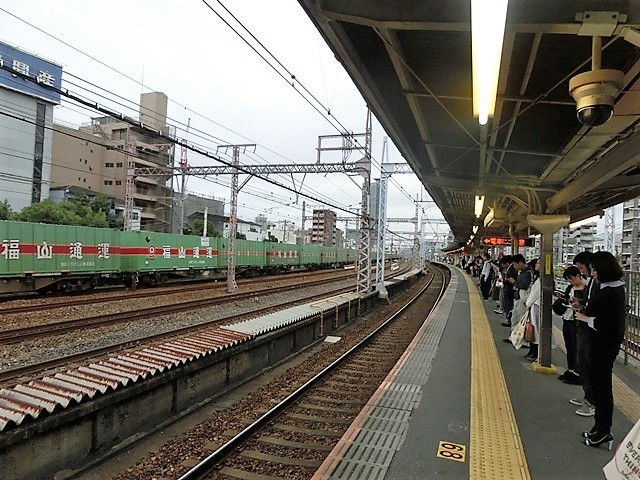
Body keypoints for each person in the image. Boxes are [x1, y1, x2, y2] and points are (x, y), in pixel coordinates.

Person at [575, 251, 626, 449]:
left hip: (604, 346)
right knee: (598, 386)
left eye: (594, 270)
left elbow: (610, 323)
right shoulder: (604, 286)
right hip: (597, 344)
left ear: (604, 269)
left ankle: (604, 430)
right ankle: (599, 426)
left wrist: (586, 319)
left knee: (603, 388)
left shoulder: (613, 291)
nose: (592, 273)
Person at [571, 251, 599, 417]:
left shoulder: (600, 284)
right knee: (582, 364)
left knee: (588, 366)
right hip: (584, 328)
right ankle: (587, 397)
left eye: (582, 268)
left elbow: (597, 309)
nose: (582, 272)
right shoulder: (592, 283)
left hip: (590, 330)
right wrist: (580, 304)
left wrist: (584, 313)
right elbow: (590, 304)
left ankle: (592, 402)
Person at [554, 266, 587, 385]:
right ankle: (570, 369)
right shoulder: (569, 288)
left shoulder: (586, 289)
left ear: (578, 276)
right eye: (569, 280)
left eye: (571, 279)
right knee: (569, 346)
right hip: (567, 318)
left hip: (577, 321)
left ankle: (578, 374)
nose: (570, 282)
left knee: (576, 347)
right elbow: (567, 299)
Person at [523, 258, 540, 360]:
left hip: (536, 306)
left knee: (535, 330)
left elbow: (535, 294)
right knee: (533, 329)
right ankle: (532, 351)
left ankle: (535, 352)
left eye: (538, 263)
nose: (536, 265)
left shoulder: (542, 279)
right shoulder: (537, 277)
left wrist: (528, 304)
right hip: (534, 306)